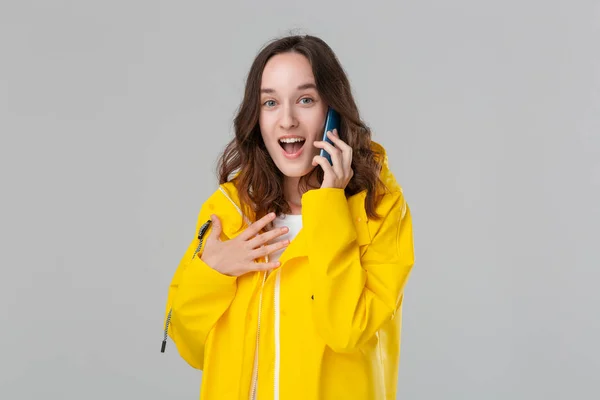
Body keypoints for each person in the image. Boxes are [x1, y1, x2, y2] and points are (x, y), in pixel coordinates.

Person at [162, 34, 415, 400]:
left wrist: (328, 204)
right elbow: (191, 347)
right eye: (270, 102)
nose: (287, 120)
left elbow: (347, 332)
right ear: (257, 116)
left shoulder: (378, 209)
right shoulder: (229, 210)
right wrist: (213, 271)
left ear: (333, 112)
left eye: (306, 100)